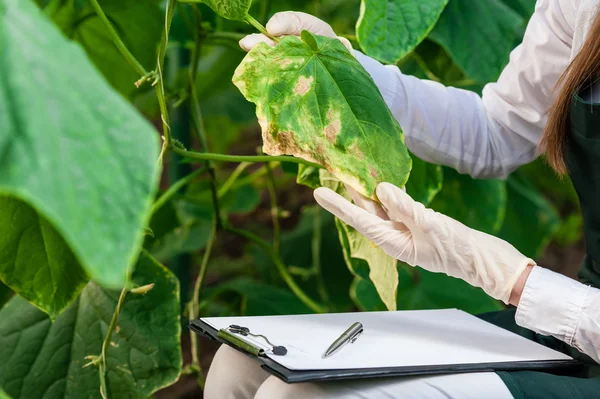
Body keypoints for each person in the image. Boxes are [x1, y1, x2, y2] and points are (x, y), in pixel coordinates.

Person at [205, 0, 600, 397]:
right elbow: (499, 133)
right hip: (571, 320)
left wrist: (511, 279)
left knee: (297, 395)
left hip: (575, 312)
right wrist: (349, 75)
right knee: (238, 364)